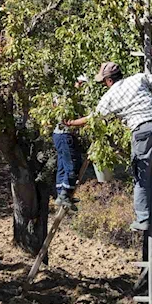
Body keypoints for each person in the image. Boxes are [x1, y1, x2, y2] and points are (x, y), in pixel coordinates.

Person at [65, 50, 152, 231]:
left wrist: (72, 123)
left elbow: (93, 118)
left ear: (109, 80)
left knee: (142, 177)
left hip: (141, 131)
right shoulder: (137, 78)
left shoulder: (109, 97)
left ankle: (144, 219)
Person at [52, 75, 87, 211]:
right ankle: (65, 194)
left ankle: (62, 193)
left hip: (59, 134)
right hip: (65, 134)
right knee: (72, 165)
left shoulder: (63, 97)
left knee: (62, 165)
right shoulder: (69, 100)